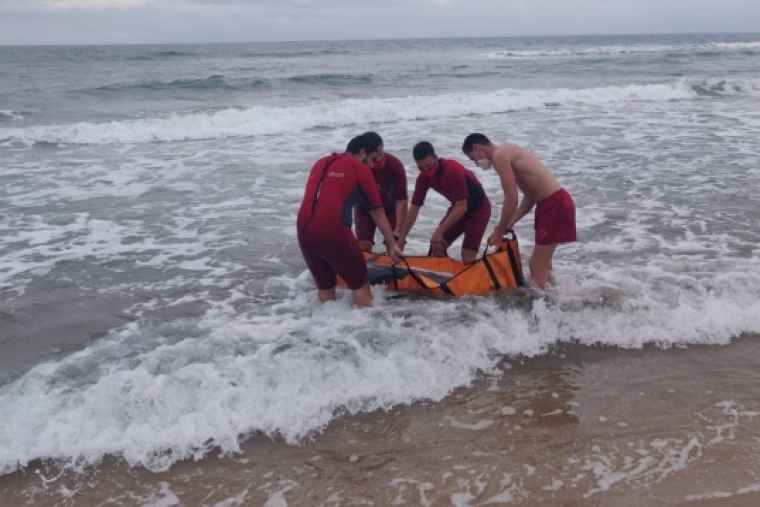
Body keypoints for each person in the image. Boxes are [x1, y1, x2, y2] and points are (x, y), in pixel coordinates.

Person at [297, 135, 403, 307]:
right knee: (360, 284)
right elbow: (378, 213)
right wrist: (392, 245)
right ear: (362, 152)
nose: (371, 166)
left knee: (325, 287)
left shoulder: (321, 162)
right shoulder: (359, 168)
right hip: (332, 228)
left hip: (303, 228)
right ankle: (367, 329)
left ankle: (325, 329)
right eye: (372, 160)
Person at [461, 133, 576, 289]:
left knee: (536, 264)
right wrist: (510, 223)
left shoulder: (499, 156)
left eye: (472, 158)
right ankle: (552, 298)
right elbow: (529, 196)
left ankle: (541, 307)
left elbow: (511, 199)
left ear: (477, 148)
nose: (476, 163)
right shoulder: (507, 151)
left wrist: (499, 230)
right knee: (545, 263)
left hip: (554, 204)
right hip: (551, 203)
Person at [397, 141, 491, 264]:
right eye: (421, 168)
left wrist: (440, 230)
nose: (426, 170)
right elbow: (414, 209)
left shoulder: (452, 169)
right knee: (436, 245)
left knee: (467, 256)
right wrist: (401, 239)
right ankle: (443, 278)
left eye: (429, 166)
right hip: (458, 207)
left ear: (435, 157)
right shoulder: (423, 178)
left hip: (478, 209)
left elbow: (462, 206)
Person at [354, 132, 409, 252]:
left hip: (389, 209)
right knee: (363, 248)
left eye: (381, 155)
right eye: (374, 158)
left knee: (395, 246)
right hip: (364, 210)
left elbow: (402, 200)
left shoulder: (394, 165)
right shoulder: (356, 167)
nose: (378, 160)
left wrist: (398, 229)